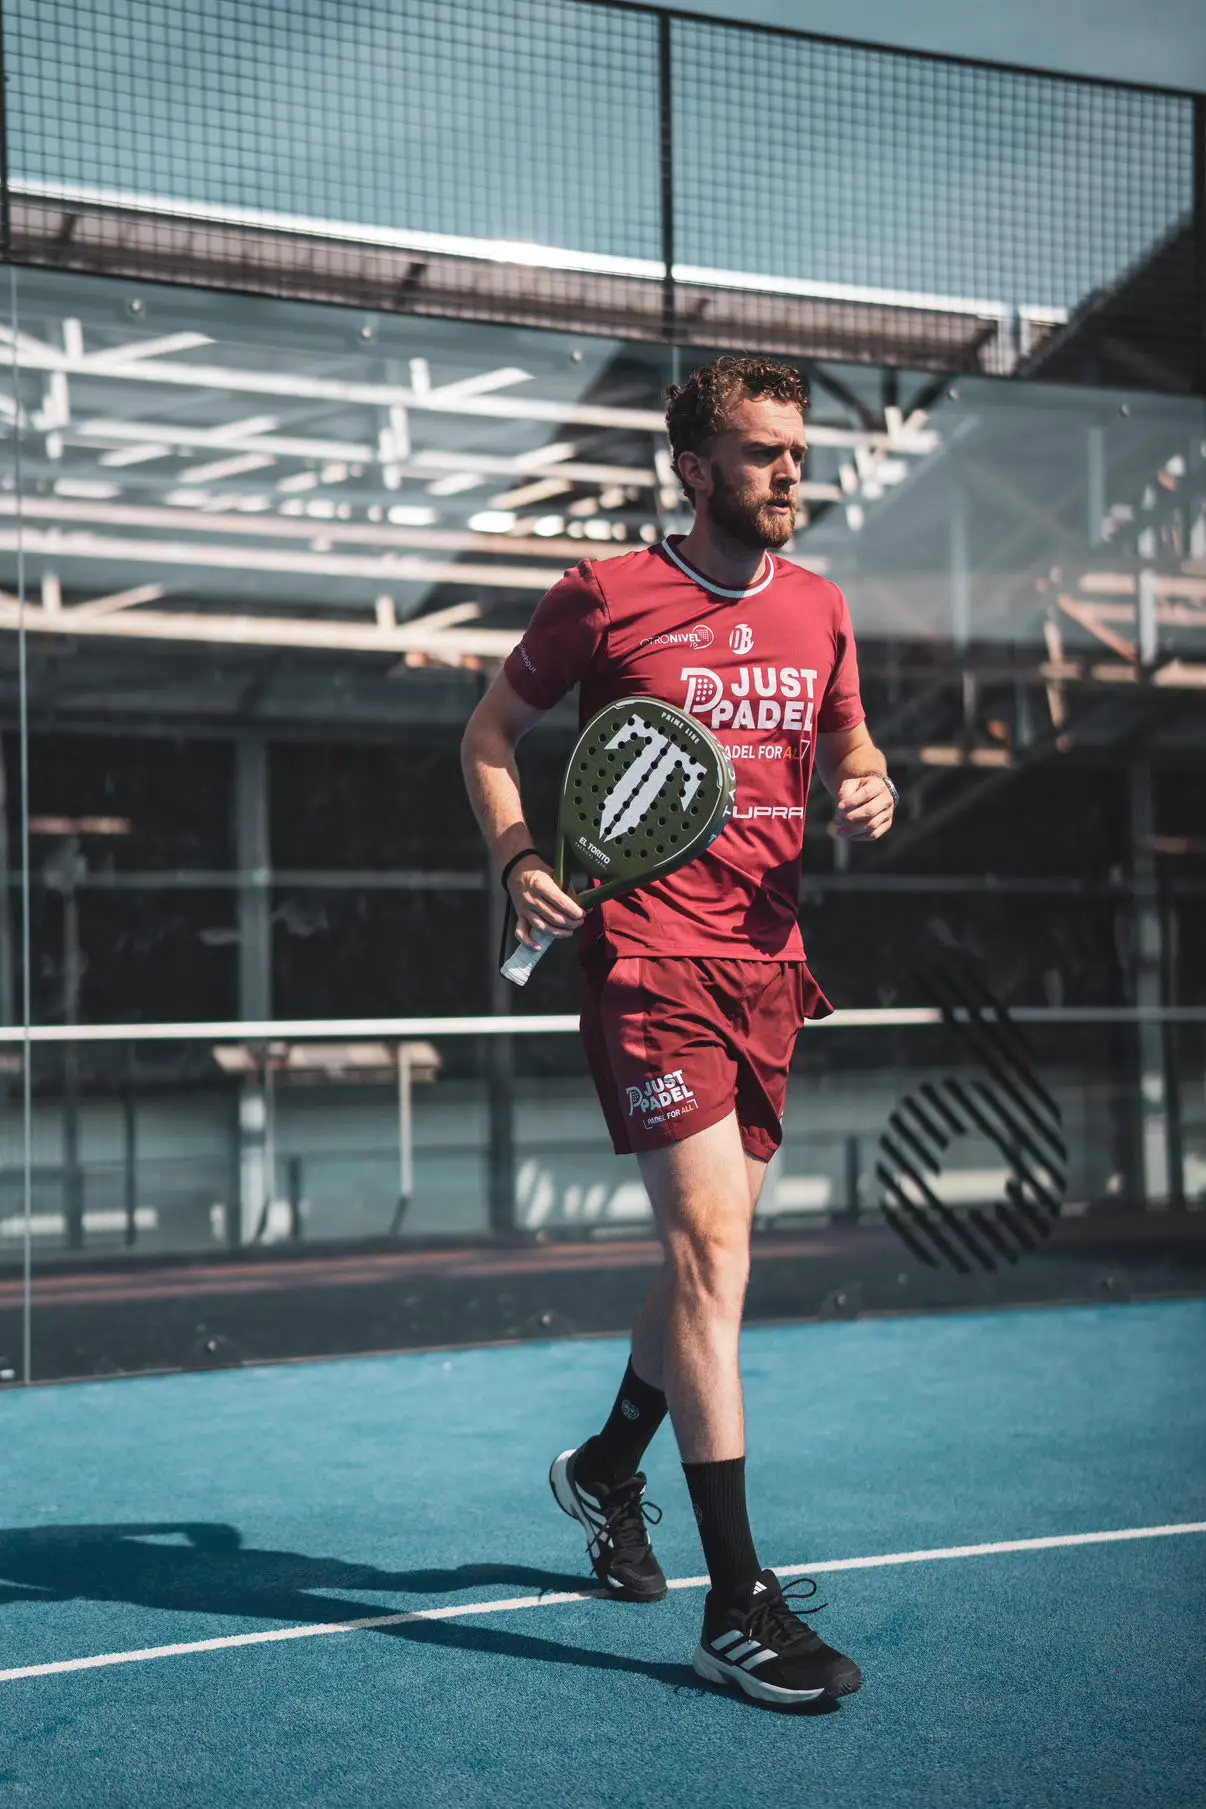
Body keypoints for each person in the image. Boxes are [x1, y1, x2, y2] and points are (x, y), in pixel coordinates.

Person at [460, 355, 895, 1708]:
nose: (787, 474)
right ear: (693, 468)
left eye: (796, 454)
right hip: (647, 965)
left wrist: (867, 783)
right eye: (761, 453)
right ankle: (736, 1603)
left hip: (773, 969)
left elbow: (848, 747)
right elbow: (487, 732)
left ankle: (603, 1471)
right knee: (712, 1254)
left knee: (712, 1259)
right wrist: (521, 851)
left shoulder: (822, 609)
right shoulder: (604, 594)